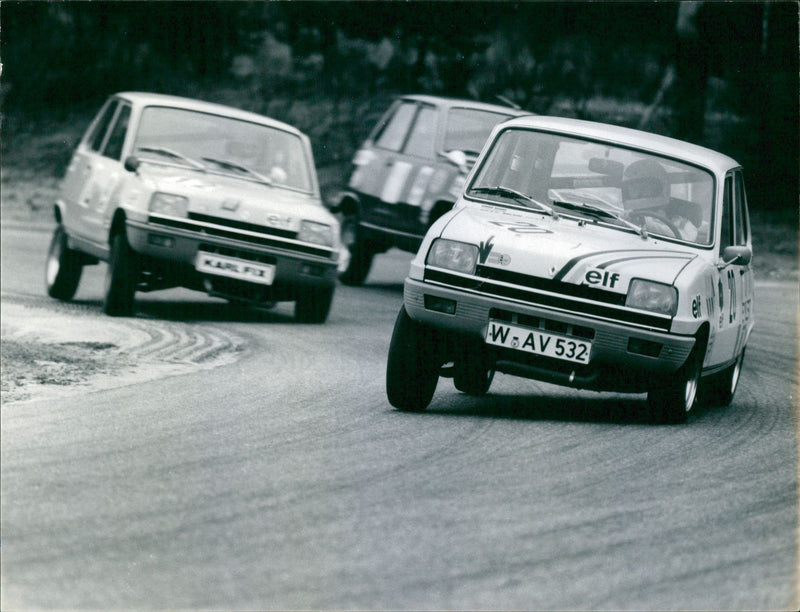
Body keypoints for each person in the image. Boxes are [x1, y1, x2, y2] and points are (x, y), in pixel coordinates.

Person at [621, 158, 699, 241]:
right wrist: (623, 220)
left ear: (659, 188)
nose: (637, 191)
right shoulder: (625, 215)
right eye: (633, 187)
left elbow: (687, 238)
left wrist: (647, 223)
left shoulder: (679, 221)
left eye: (645, 187)